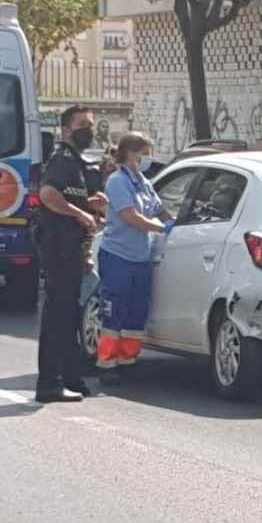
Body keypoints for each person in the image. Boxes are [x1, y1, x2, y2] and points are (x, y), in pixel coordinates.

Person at [35, 105, 107, 403]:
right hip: (58, 248)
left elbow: (70, 198)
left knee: (67, 318)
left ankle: (68, 378)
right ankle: (49, 384)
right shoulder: (63, 159)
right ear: (66, 131)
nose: (88, 130)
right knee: (57, 317)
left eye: (91, 124)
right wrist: (80, 214)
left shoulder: (78, 163)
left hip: (71, 249)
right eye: (82, 125)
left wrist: (93, 206)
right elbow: (48, 195)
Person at [96, 132, 173, 380]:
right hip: (118, 255)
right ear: (131, 153)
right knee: (114, 311)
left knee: (136, 311)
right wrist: (161, 228)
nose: (148, 158)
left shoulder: (142, 181)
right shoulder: (117, 182)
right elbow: (131, 217)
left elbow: (160, 210)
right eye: (145, 153)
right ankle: (107, 364)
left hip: (141, 257)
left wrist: (174, 223)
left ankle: (127, 359)